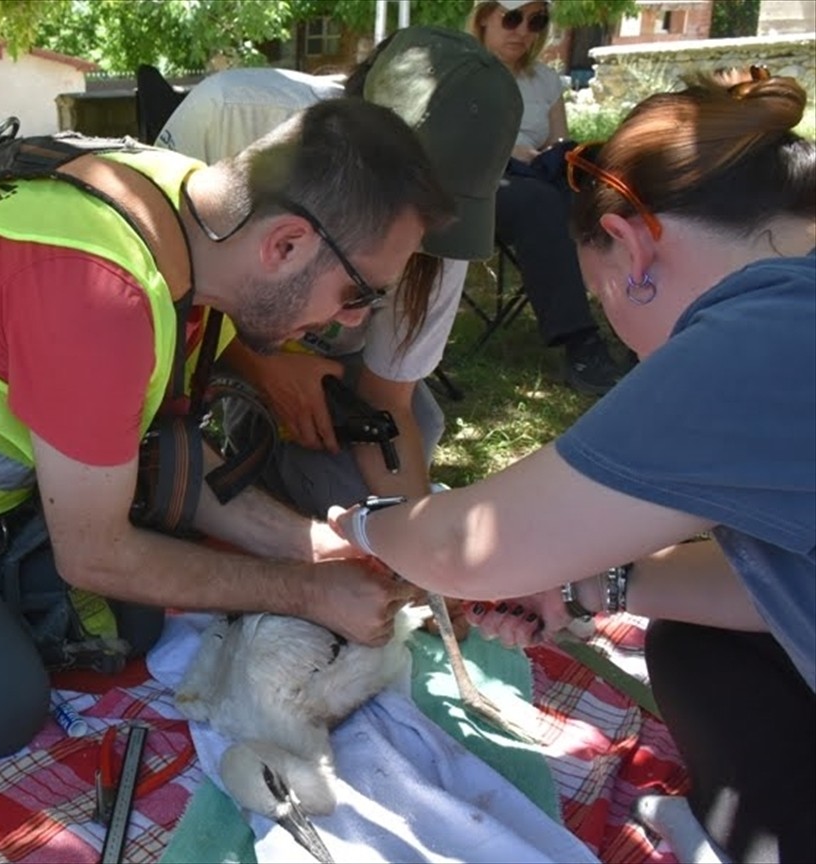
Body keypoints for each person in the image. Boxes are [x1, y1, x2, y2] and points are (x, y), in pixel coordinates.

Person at [0, 98, 454, 762]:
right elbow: (95, 554)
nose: (352, 322)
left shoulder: (193, 221)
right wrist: (306, 593)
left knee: (129, 630)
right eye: (359, 294)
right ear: (286, 245)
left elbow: (162, 452)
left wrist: (313, 549)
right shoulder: (102, 293)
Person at [331, 71, 815, 863]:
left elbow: (469, 547)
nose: (621, 334)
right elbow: (780, 583)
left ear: (628, 245)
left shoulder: (758, 334)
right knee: (696, 648)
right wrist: (593, 585)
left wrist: (365, 523)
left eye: (600, 299)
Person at [157, 27, 521, 525]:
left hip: (329, 368)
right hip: (199, 334)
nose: (357, 314)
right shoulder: (230, 113)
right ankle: (249, 481)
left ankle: (275, 483)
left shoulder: (443, 229)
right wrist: (262, 368)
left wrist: (418, 548)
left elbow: (389, 399)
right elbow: (155, 284)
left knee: (418, 428)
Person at [469, 0, 625, 394]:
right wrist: (507, 152)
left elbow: (559, 139)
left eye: (536, 21)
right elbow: (452, 143)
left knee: (611, 200)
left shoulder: (544, 79)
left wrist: (557, 155)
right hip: (479, 182)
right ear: (485, 16)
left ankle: (636, 322)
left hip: (537, 177)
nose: (523, 30)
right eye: (512, 17)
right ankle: (581, 344)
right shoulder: (462, 72)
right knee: (542, 204)